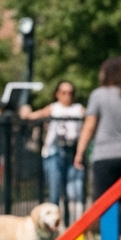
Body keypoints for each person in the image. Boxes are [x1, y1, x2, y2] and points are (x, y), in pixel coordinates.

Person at [74, 56, 121, 240]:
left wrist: (80, 151)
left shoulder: (98, 95)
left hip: (105, 155)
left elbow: (90, 125)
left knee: (104, 200)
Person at [20, 80, 85, 224]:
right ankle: (54, 228)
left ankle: (74, 228)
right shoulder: (53, 108)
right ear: (57, 94)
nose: (67, 96)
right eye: (63, 92)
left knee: (74, 193)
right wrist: (25, 111)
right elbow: (32, 116)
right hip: (54, 153)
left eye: (70, 93)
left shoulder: (78, 109)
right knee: (55, 193)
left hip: (73, 153)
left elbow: (92, 119)